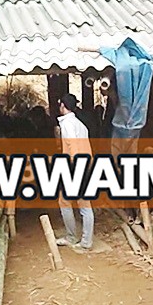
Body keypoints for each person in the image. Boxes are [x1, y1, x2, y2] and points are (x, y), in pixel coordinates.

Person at [55, 93, 94, 251]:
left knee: (66, 201)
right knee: (84, 204)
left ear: (63, 106)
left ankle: (75, 238)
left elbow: (72, 146)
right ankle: (85, 240)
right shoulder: (80, 124)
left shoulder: (67, 124)